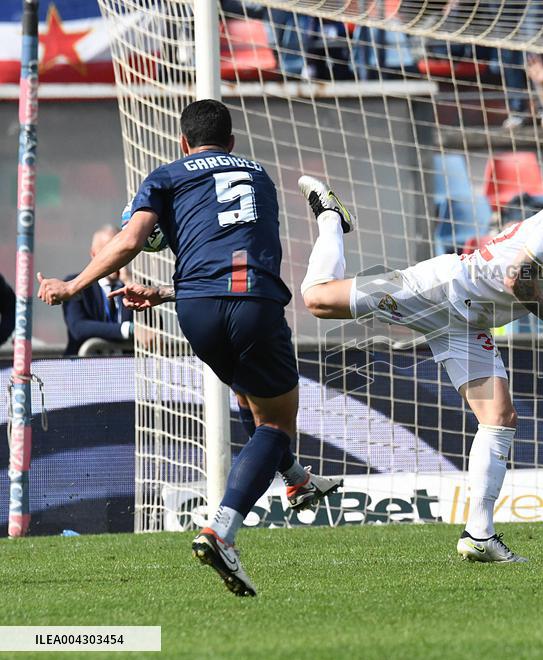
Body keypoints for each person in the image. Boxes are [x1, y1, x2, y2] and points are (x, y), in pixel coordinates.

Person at [296, 149, 543, 562]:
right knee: (318, 299)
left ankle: (480, 535)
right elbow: (517, 278)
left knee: (499, 419)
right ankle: (331, 219)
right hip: (443, 291)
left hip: (467, 322)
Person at [37, 99, 343, 596]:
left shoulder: (167, 174)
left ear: (183, 142)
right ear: (232, 143)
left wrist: (92, 285)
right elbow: (235, 246)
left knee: (247, 393)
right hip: (253, 301)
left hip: (195, 309)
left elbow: (132, 238)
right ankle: (222, 530)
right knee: (277, 424)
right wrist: (77, 289)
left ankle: (298, 480)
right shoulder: (259, 176)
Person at [60, 226, 135, 356]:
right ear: (94, 255)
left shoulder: (136, 285)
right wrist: (127, 330)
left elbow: (153, 326)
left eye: (121, 251)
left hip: (127, 369)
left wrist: (130, 283)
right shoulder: (75, 285)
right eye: (109, 251)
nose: (116, 257)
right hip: (85, 368)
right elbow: (79, 327)